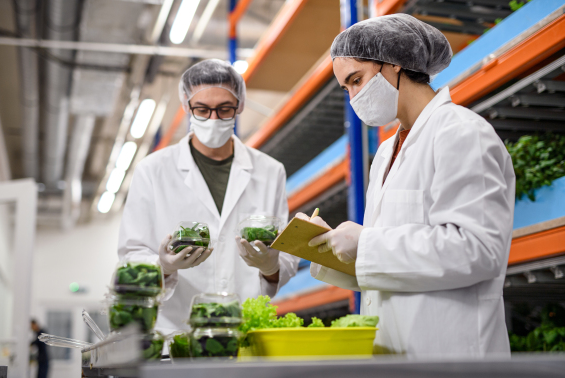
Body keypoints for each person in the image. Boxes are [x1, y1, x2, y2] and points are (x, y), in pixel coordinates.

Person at [297, 14, 515, 357]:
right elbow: (392, 266)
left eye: (357, 79)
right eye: (346, 88)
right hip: (394, 350)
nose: (354, 96)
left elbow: (477, 250)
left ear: (393, 63)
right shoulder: (386, 153)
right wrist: (329, 246)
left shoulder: (461, 132)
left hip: (452, 353)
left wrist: (366, 243)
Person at [118, 59, 300, 335]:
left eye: (224, 109)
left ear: (239, 106)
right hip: (177, 332)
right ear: (187, 106)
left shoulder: (270, 171)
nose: (213, 119)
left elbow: (285, 257)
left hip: (244, 330)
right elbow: (131, 257)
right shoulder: (152, 171)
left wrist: (270, 266)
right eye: (202, 109)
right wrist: (163, 267)